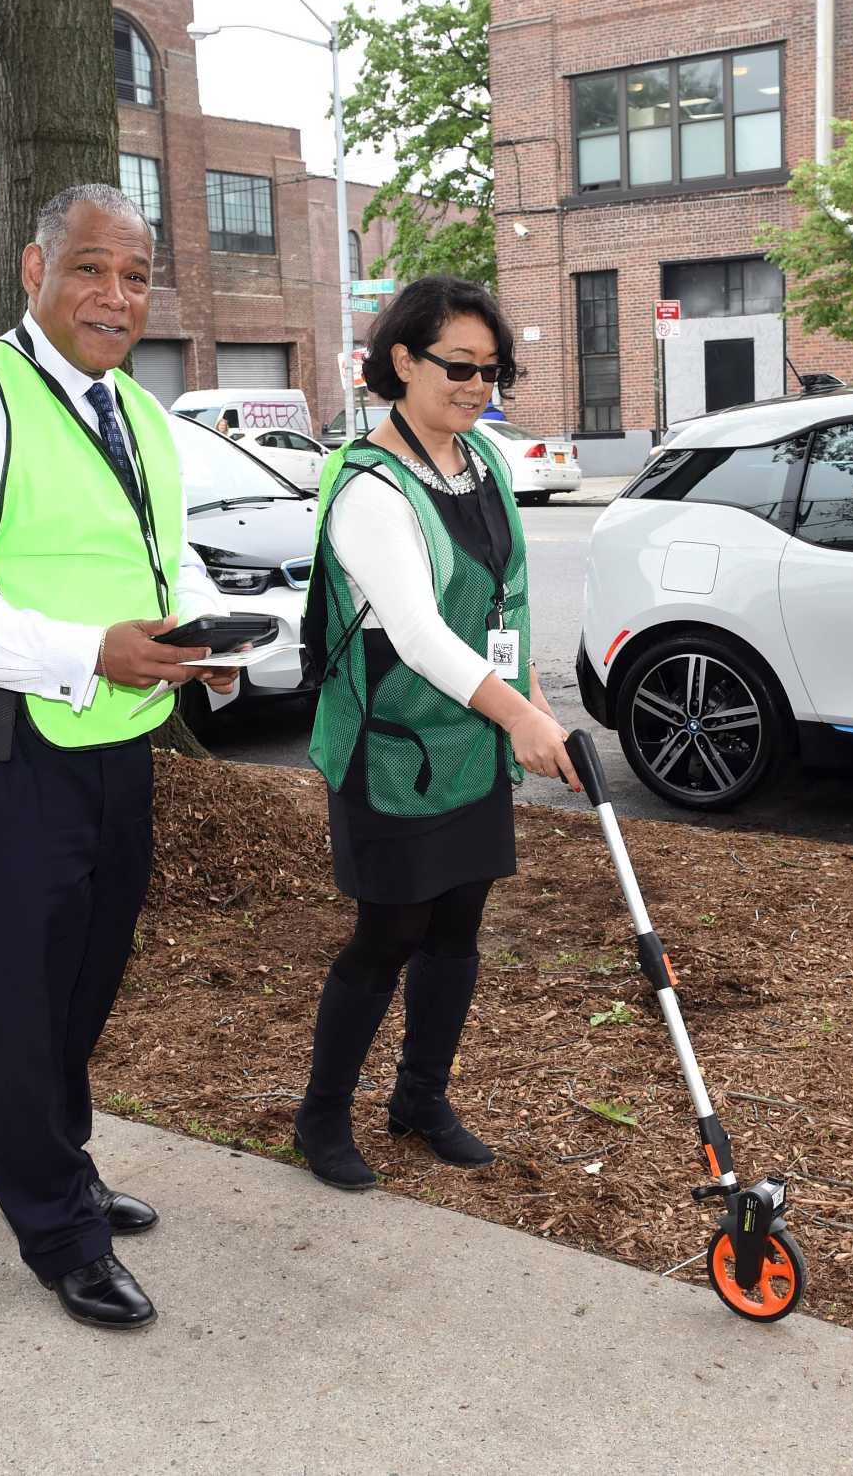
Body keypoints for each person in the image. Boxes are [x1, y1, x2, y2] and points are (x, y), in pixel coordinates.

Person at [0, 183, 236, 1331]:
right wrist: (92, 651)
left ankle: (59, 1166)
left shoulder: (138, 413)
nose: (115, 296)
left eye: (135, 275)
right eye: (90, 268)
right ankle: (56, 1229)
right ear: (33, 271)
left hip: (112, 743)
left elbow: (160, 562)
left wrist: (205, 642)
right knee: (22, 1006)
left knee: (83, 986)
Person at [295, 276, 581, 1190]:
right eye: (458, 367)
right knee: (387, 935)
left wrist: (533, 702)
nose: (477, 387)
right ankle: (321, 1115)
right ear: (403, 361)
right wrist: (518, 716)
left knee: (458, 929)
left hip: (469, 741)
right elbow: (417, 635)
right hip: (390, 746)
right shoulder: (370, 487)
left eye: (491, 371)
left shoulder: (482, 460)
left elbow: (504, 603)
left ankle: (420, 1099)